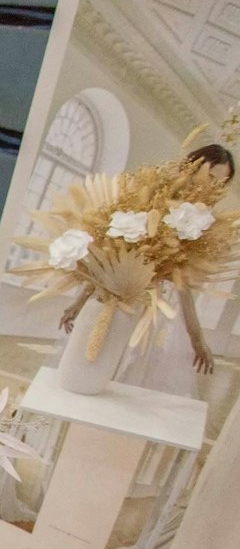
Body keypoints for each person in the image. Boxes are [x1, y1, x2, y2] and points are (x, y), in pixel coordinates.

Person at [57, 142, 231, 381]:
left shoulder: (199, 224)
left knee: (123, 374)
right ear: (191, 169)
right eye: (209, 177)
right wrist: (78, 303)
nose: (212, 187)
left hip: (147, 312)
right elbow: (109, 256)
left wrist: (197, 339)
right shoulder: (151, 198)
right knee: (82, 366)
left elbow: (184, 286)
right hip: (109, 298)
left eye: (219, 183)